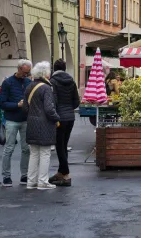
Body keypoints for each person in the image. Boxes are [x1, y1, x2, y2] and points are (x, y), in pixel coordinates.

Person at [24, 61, 61, 190]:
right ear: (45, 73)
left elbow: (24, 107)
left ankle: (31, 181)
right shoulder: (46, 88)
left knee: (34, 153)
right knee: (45, 153)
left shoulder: (29, 86)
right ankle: (42, 182)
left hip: (32, 123)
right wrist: (57, 118)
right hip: (45, 124)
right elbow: (49, 109)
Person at [0, 59, 33, 187]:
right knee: (9, 149)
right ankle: (6, 176)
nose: (26, 75)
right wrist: (16, 105)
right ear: (19, 69)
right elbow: (2, 103)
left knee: (26, 149)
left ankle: (24, 175)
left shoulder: (29, 82)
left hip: (25, 120)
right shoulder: (7, 83)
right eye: (25, 72)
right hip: (11, 120)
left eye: (28, 72)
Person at [49, 59, 80, 187]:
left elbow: (54, 100)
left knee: (59, 145)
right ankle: (61, 172)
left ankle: (66, 173)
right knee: (64, 144)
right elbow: (76, 101)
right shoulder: (71, 81)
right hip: (70, 117)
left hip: (59, 117)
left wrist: (56, 113)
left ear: (54, 69)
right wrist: (69, 108)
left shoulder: (53, 82)